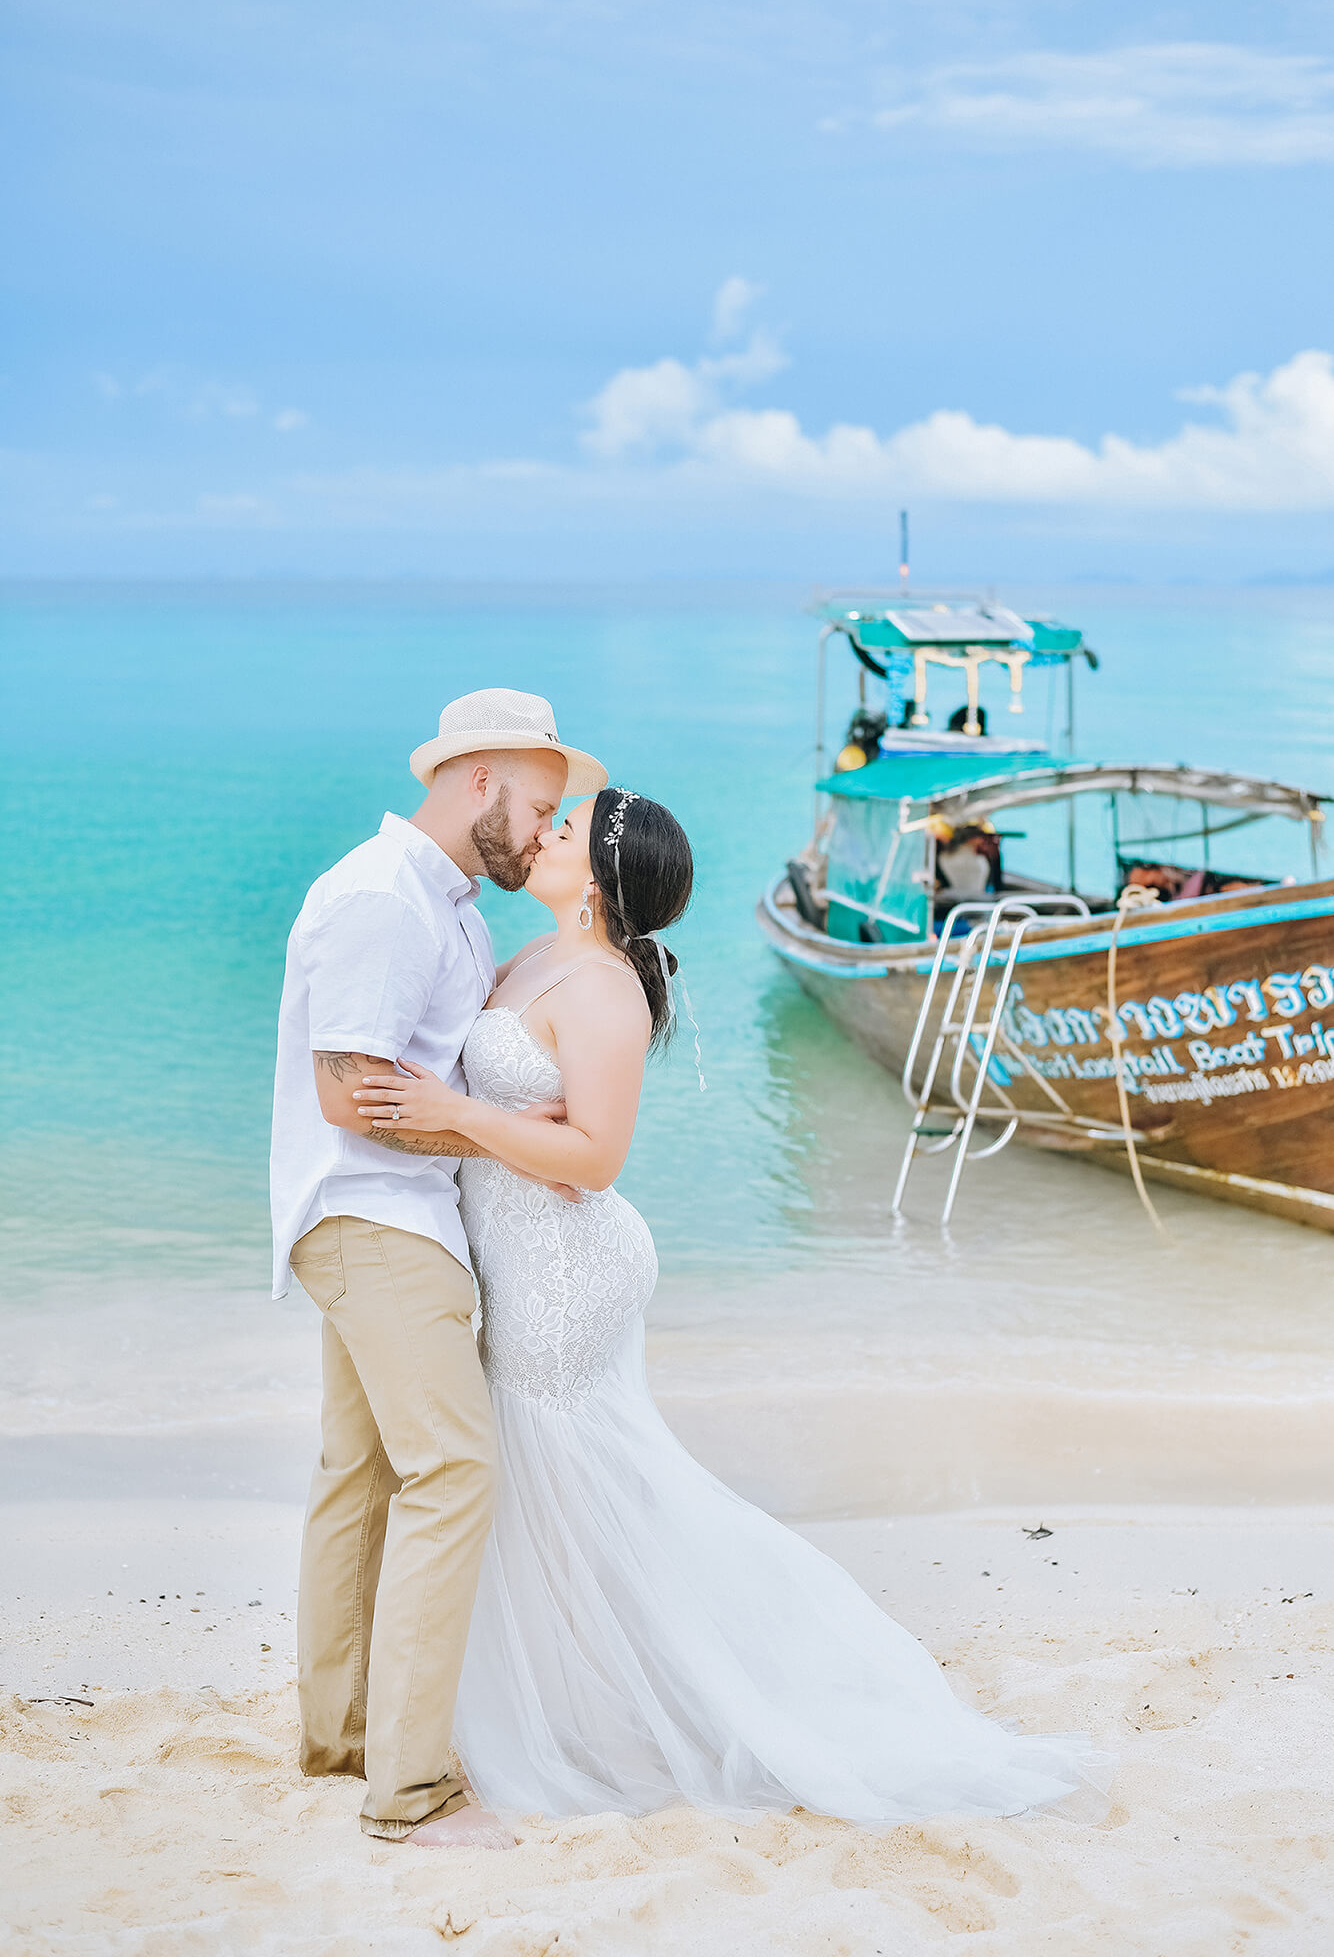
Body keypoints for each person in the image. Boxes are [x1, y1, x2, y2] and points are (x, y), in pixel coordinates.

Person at [353, 789, 1109, 1826]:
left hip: (565, 1266)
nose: (542, 834)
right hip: (522, 1252)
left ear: (606, 879)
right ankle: (596, 1698)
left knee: (575, 1485)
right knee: (563, 1490)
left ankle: (650, 1704)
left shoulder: (605, 986)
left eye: (564, 830)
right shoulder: (528, 957)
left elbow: (593, 1159)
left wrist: (459, 1115)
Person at [269, 688, 606, 1850]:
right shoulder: (380, 896)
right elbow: (349, 1095)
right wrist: (512, 1136)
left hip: (397, 1215)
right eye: (542, 805)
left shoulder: (451, 907)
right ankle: (408, 1789)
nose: (546, 827)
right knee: (455, 1471)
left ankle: (345, 1735)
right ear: (480, 782)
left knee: (358, 1475)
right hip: (373, 1214)